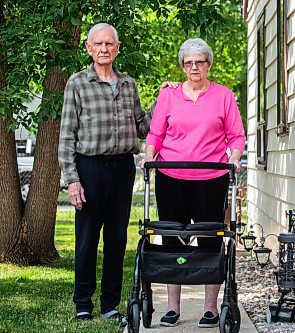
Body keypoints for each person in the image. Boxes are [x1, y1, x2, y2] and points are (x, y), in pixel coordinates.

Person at [141, 37, 245, 328]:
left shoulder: (223, 95)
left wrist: (234, 157)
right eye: (188, 63)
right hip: (171, 176)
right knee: (171, 238)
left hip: (211, 177)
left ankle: (210, 308)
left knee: (209, 239)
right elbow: (155, 135)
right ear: (183, 67)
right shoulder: (169, 96)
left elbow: (236, 136)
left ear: (209, 65)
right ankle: (173, 308)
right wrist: (148, 157)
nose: (194, 67)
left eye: (200, 62)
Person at [58, 23, 152, 325]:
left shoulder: (128, 84)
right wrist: (72, 179)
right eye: (97, 44)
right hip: (90, 169)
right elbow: (66, 135)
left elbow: (142, 126)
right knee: (86, 240)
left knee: (116, 239)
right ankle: (83, 303)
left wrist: (163, 104)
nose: (103, 49)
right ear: (88, 48)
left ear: (117, 47)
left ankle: (111, 304)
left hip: (122, 168)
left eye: (109, 44)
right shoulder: (77, 83)